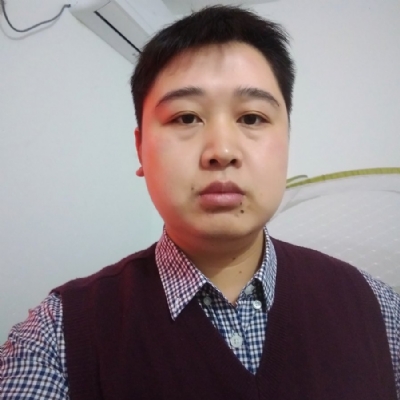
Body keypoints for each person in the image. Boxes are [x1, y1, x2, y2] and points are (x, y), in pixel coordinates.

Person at [1, 5, 399, 400]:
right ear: (140, 149)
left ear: (287, 140)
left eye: (252, 118)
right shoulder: (58, 334)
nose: (221, 151)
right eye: (186, 118)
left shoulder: (379, 309)